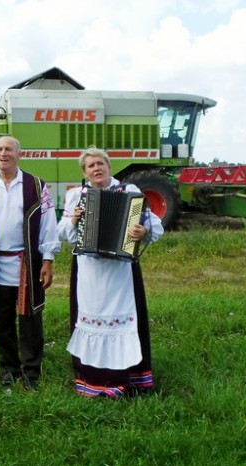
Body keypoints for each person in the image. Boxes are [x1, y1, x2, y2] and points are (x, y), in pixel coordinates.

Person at [56, 146, 164, 398]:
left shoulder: (129, 192)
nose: (96, 168)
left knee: (122, 318)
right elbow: (62, 233)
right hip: (89, 272)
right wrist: (73, 220)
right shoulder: (76, 196)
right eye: (91, 165)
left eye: (100, 163)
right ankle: (93, 379)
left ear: (109, 166)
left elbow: (152, 226)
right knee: (91, 318)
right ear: (85, 171)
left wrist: (143, 232)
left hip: (120, 272)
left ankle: (125, 379)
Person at [0, 136, 60, 390]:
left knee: (30, 320)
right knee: (3, 320)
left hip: (26, 263)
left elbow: (49, 224)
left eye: (8, 149)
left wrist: (47, 259)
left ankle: (31, 373)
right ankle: (9, 369)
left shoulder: (36, 185)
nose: (3, 154)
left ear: (19, 154)